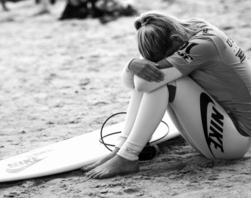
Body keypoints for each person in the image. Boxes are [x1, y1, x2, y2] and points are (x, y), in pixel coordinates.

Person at [82, 11, 251, 179]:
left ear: (175, 40)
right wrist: (131, 64)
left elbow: (140, 85)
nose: (159, 62)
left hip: (234, 141)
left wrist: (137, 67)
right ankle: (121, 150)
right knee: (152, 76)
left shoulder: (204, 44)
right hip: (223, 132)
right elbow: (134, 85)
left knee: (162, 82)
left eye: (162, 58)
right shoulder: (188, 28)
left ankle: (128, 156)